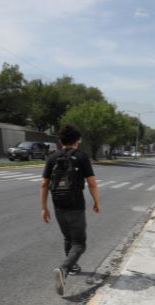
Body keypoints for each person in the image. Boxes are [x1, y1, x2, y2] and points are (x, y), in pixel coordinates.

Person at [40, 124, 101, 296]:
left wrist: (44, 208)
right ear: (77, 141)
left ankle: (72, 266)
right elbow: (92, 183)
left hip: (58, 205)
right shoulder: (81, 157)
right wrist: (97, 202)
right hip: (76, 206)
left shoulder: (52, 158)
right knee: (79, 243)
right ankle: (64, 268)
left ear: (60, 141)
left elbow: (44, 184)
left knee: (68, 237)